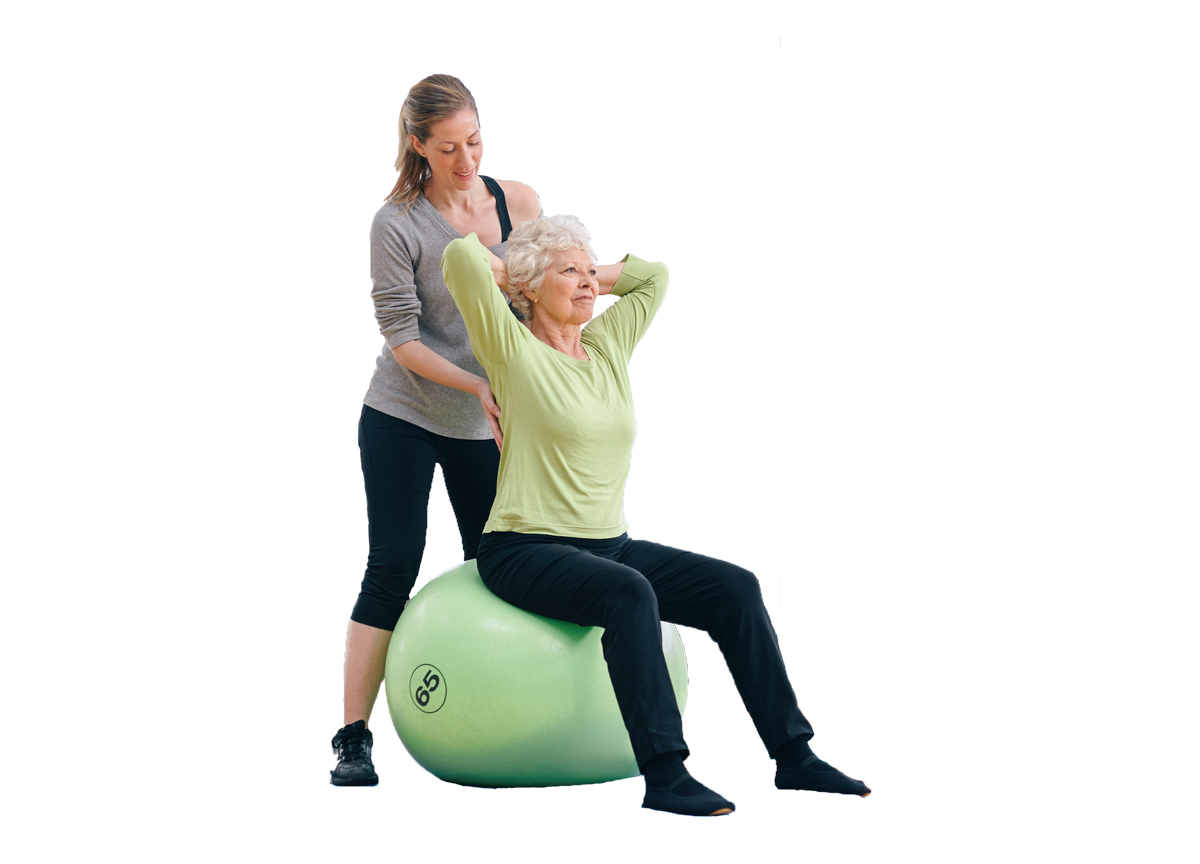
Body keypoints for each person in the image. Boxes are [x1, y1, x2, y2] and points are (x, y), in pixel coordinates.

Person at [440, 216, 870, 816]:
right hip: (522, 548)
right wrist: (530, 268)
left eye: (593, 273)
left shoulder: (608, 345)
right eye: (572, 273)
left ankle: (794, 757)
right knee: (628, 594)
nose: (590, 284)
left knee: (735, 588)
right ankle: (666, 774)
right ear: (531, 287)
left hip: (609, 543)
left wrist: (580, 269)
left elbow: (652, 278)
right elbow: (460, 260)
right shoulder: (510, 348)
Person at [330, 74, 541, 787]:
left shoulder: (518, 204)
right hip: (405, 416)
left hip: (487, 425)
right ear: (417, 145)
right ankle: (352, 737)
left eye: (475, 141)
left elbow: (539, 308)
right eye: (447, 147)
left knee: (501, 565)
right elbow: (401, 338)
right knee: (394, 564)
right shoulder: (396, 223)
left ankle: (509, 710)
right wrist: (479, 383)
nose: (466, 159)